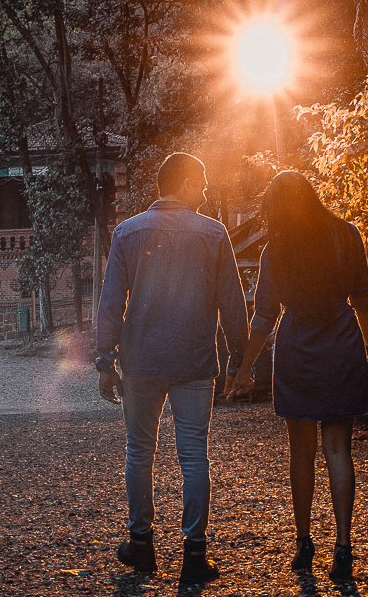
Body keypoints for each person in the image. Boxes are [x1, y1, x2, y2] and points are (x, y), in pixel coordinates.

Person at [96, 152, 249, 585]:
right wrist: (241, 363)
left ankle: (141, 545)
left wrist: (106, 361)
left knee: (139, 452)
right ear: (182, 182)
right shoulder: (213, 234)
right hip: (194, 362)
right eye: (200, 181)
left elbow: (111, 302)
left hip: (141, 361)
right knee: (193, 455)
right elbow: (232, 305)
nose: (205, 189)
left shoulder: (128, 232)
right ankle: (195, 555)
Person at [226, 170, 368, 581]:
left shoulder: (276, 251)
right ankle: (344, 548)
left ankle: (304, 544)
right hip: (342, 346)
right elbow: (364, 296)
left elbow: (263, 317)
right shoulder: (346, 235)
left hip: (297, 350)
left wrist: (244, 369)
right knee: (338, 449)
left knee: (301, 453)